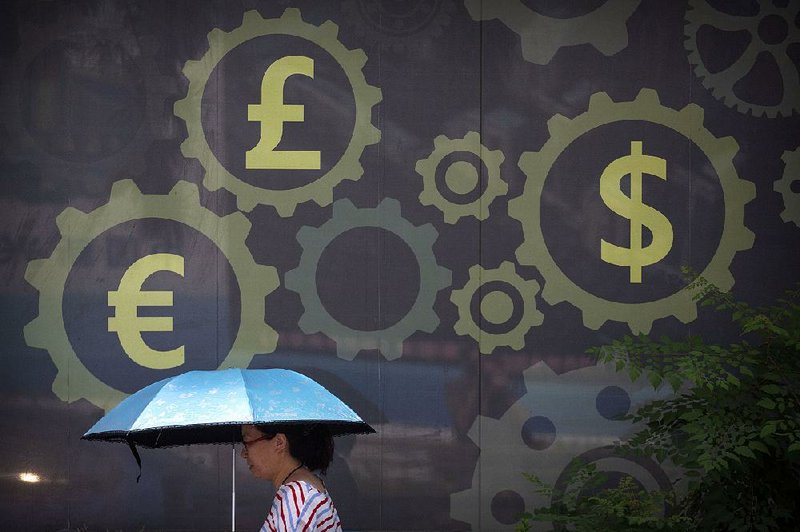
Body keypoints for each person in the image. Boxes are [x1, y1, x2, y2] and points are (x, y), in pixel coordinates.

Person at [241, 423, 342, 532]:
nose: (243, 454)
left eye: (247, 442)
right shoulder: (302, 488)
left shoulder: (297, 496)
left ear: (279, 442)